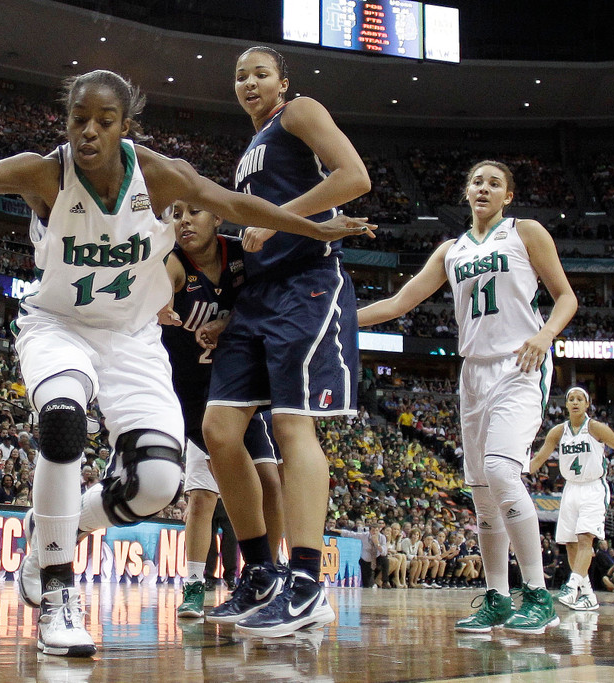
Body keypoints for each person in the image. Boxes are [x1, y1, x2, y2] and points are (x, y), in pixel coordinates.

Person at [0, 69, 369, 657]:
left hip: (132, 339)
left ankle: (54, 532)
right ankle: (58, 593)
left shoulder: (159, 176)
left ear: (125, 127)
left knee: (159, 482)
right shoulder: (44, 172)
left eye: (103, 122)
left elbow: (235, 203)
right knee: (61, 421)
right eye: (78, 120)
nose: (88, 132)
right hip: (59, 325)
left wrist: (310, 226)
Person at [358, 160, 578, 635]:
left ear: (507, 196)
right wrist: (337, 320)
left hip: (520, 364)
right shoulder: (450, 251)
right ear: (466, 192)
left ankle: (537, 595)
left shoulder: (526, 232)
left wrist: (545, 336)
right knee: (480, 494)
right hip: (472, 373)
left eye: (494, 183)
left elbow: (566, 297)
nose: (484, 187)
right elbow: (399, 304)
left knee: (502, 471)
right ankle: (497, 598)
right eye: (476, 181)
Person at [201, 46, 372, 638]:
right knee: (220, 431)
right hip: (257, 299)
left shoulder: (298, 113)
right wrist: (226, 313)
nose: (249, 82)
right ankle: (261, 573)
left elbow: (355, 178)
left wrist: (276, 217)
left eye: (260, 74)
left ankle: (306, 581)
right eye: (241, 75)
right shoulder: (251, 149)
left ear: (283, 81)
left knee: (295, 426)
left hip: (307, 287)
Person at [159, 201, 284, 620]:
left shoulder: (241, 255)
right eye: (176, 214)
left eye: (193, 211)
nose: (184, 220)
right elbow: (154, 290)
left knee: (270, 478)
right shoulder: (173, 265)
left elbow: (265, 299)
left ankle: (269, 574)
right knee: (201, 497)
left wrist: (228, 322)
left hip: (238, 387)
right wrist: (153, 305)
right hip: (191, 394)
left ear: (218, 218)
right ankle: (194, 585)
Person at [530, 386, 614, 610]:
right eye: (571, 399)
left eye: (580, 399)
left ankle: (571, 587)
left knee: (584, 539)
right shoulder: (558, 432)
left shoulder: (596, 428)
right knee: (570, 543)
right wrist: (512, 470)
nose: (575, 402)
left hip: (593, 487)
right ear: (566, 405)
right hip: (570, 488)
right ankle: (587, 594)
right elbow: (537, 460)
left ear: (587, 404)